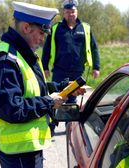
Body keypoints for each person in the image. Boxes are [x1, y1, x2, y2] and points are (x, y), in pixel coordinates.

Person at [0, 1, 85, 168]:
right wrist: (49, 101)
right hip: (18, 153)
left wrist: (62, 88)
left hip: (26, 148)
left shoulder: (23, 54)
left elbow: (34, 88)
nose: (43, 38)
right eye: (41, 32)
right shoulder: (7, 60)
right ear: (26, 28)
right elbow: (8, 107)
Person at [42, 0, 100, 134]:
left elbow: (94, 48)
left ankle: (70, 129)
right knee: (56, 98)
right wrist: (45, 67)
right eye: (68, 12)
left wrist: (96, 67)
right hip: (59, 71)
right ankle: (50, 127)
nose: (70, 14)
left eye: (73, 11)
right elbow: (46, 49)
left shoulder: (85, 28)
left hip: (77, 71)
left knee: (72, 101)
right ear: (64, 13)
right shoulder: (56, 28)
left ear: (77, 12)